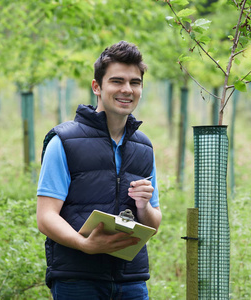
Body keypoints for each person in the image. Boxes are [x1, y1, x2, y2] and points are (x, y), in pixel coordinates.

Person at [36, 41, 162, 300]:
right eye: (117, 81)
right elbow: (46, 216)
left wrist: (144, 206)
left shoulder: (143, 147)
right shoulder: (64, 141)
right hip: (78, 279)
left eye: (135, 82)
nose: (127, 90)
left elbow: (154, 221)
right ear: (97, 87)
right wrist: (84, 244)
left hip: (132, 281)